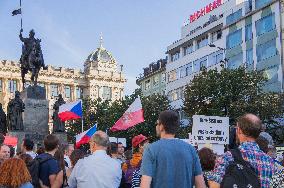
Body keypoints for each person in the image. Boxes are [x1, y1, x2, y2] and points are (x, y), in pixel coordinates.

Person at [208, 114, 277, 188]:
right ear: (258, 132)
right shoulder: (271, 163)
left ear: (239, 130)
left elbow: (214, 185)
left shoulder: (227, 158)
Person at [140, 110, 205, 188]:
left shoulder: (151, 150)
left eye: (157, 124)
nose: (156, 126)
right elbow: (200, 184)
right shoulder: (191, 150)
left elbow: (145, 185)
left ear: (162, 126)